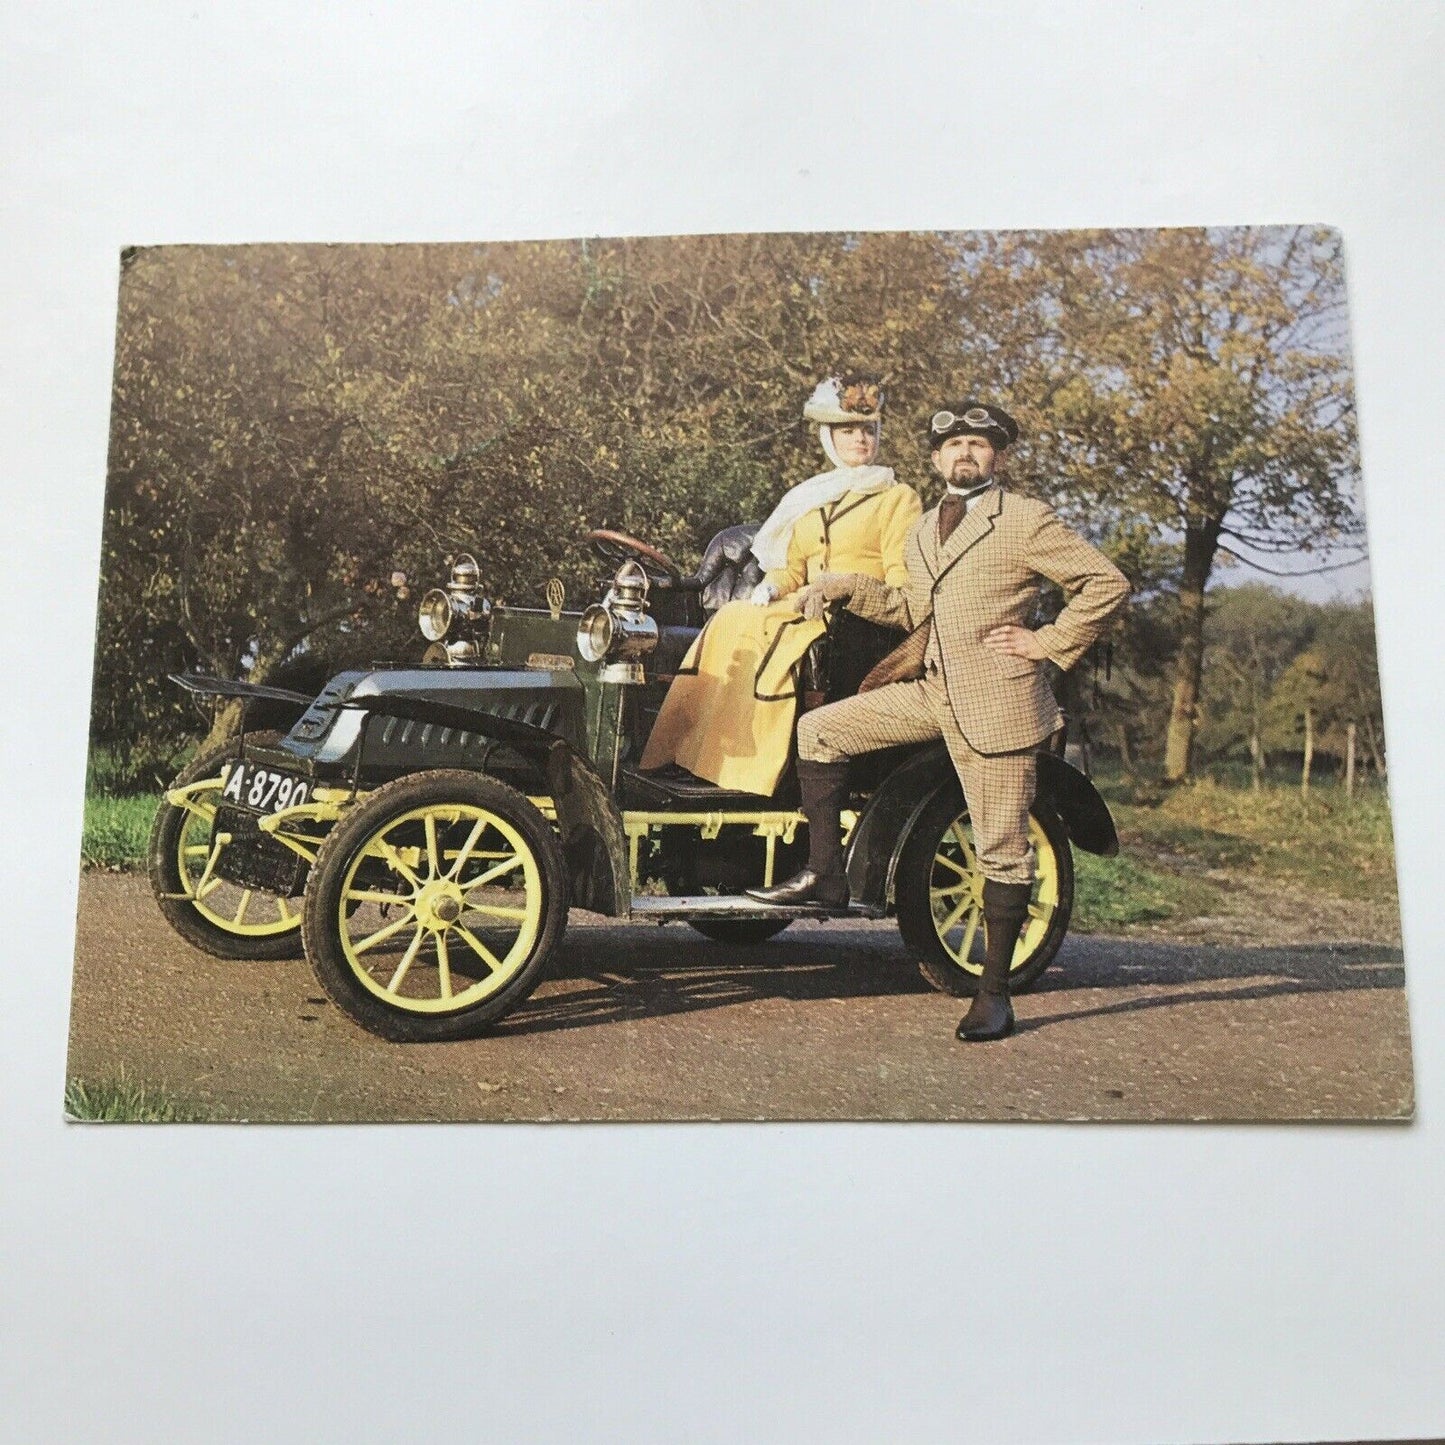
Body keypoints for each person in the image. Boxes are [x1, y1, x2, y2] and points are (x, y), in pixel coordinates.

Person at [746, 401, 1130, 1042]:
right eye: (953, 447)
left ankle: (994, 993)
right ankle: (827, 877)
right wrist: (842, 585)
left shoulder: (1025, 520)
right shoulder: (925, 529)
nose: (965, 455)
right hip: (931, 692)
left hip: (999, 705)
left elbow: (1105, 582)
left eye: (979, 446)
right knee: (820, 731)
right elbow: (908, 609)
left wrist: (1048, 642)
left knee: (1002, 852)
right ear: (935, 459)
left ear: (998, 458)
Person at [639, 375, 922, 796]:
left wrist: (853, 593)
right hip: (801, 602)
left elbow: (900, 579)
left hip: (854, 618)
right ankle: (696, 753)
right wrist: (770, 588)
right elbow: (791, 568)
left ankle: (751, 768)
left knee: (775, 637)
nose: (860, 440)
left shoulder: (897, 497)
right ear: (829, 438)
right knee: (734, 618)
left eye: (868, 430)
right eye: (848, 431)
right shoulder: (813, 496)